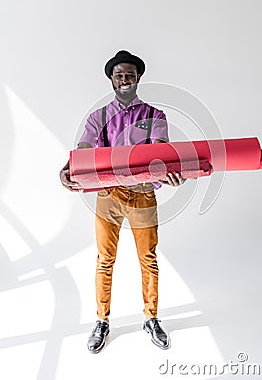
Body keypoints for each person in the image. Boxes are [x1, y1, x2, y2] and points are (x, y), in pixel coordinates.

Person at [59, 50, 186, 353]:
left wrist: (169, 168)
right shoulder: (98, 117)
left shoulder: (154, 115)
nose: (125, 79)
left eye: (130, 73)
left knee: (149, 259)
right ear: (112, 80)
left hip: (143, 194)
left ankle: (151, 318)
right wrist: (69, 167)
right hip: (109, 195)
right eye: (119, 75)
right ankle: (102, 321)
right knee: (105, 260)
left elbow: (160, 147)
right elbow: (85, 146)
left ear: (138, 77)